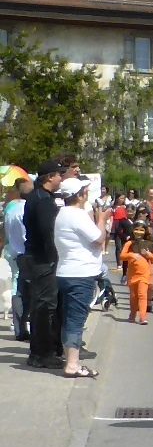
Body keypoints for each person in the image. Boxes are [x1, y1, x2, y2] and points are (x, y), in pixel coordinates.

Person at [54, 176, 111, 378]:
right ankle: (72, 364)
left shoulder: (63, 213)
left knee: (69, 318)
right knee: (76, 320)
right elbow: (99, 238)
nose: (87, 194)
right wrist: (102, 219)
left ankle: (71, 359)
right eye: (84, 191)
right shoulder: (77, 215)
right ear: (79, 195)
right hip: (81, 274)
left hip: (66, 271)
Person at [24, 160, 66, 368]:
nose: (61, 179)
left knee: (45, 305)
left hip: (39, 258)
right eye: (59, 175)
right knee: (44, 307)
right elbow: (48, 233)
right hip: (43, 260)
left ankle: (48, 348)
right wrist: (54, 258)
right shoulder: (42, 200)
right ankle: (41, 353)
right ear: (49, 177)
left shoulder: (42, 197)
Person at [5, 178, 32, 341]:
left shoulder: (11, 209)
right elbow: (26, 235)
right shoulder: (25, 209)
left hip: (13, 251)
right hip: (25, 253)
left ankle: (19, 327)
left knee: (18, 288)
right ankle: (24, 326)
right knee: (25, 290)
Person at [120, 224, 153, 325]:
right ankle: (133, 313)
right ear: (133, 230)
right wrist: (132, 255)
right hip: (132, 274)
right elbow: (122, 256)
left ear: (145, 232)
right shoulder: (129, 243)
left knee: (142, 295)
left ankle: (143, 317)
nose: (138, 232)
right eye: (136, 229)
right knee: (133, 296)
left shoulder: (149, 244)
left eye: (141, 230)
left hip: (144, 274)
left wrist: (148, 255)